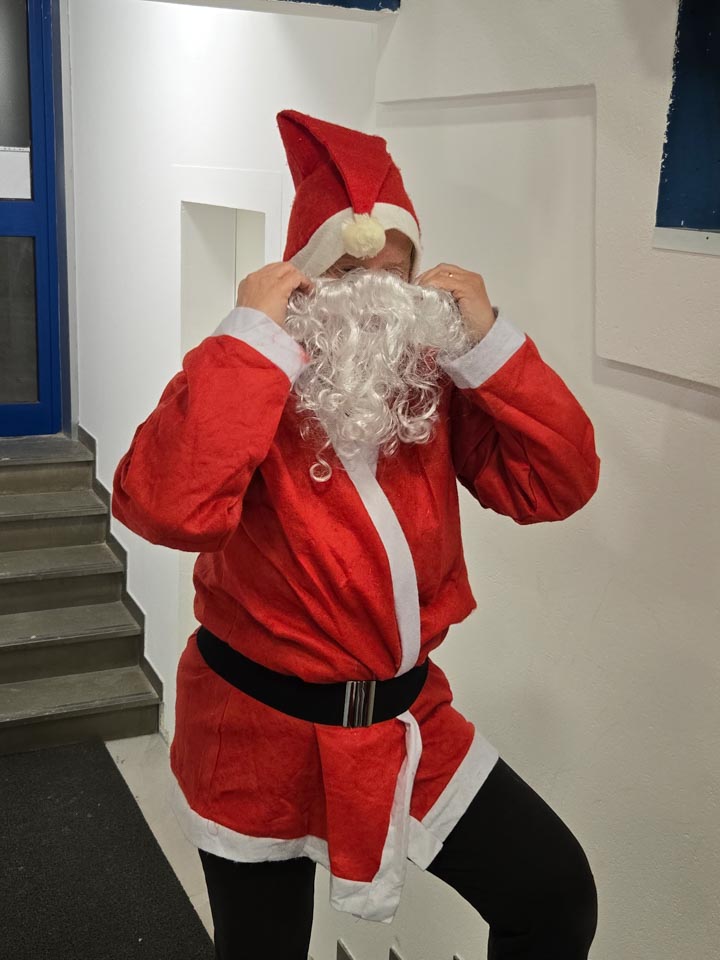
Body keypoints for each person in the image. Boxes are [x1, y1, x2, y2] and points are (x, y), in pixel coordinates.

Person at [111, 109, 601, 959]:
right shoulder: (247, 381)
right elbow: (165, 507)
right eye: (346, 269)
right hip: (256, 734)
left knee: (554, 895)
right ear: (301, 279)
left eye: (393, 270)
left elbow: (557, 481)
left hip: (405, 722)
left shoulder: (429, 390)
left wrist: (489, 342)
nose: (374, 292)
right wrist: (249, 341)